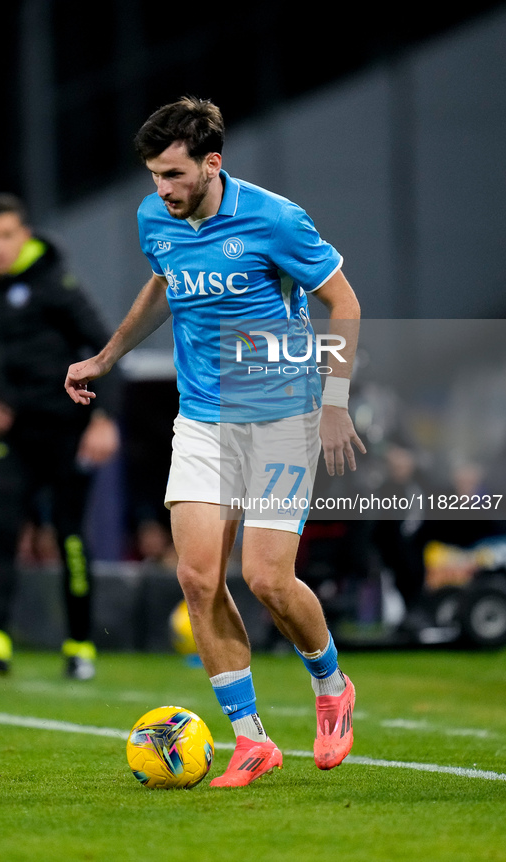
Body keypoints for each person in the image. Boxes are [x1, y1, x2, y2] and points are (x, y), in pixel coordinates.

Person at [65, 98, 365, 784]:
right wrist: (105, 357)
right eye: (152, 177)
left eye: (172, 175)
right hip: (202, 416)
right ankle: (250, 738)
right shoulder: (156, 220)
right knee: (197, 578)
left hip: (282, 411)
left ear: (211, 163)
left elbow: (343, 303)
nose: (161, 190)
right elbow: (164, 286)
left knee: (265, 578)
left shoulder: (276, 219)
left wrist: (336, 402)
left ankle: (329, 686)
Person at [0, 193, 121, 679]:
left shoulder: (57, 283)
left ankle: (80, 647)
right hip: (16, 435)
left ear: (23, 235)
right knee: (2, 531)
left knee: (68, 535)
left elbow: (104, 348)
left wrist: (104, 418)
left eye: (7, 235)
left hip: (69, 430)